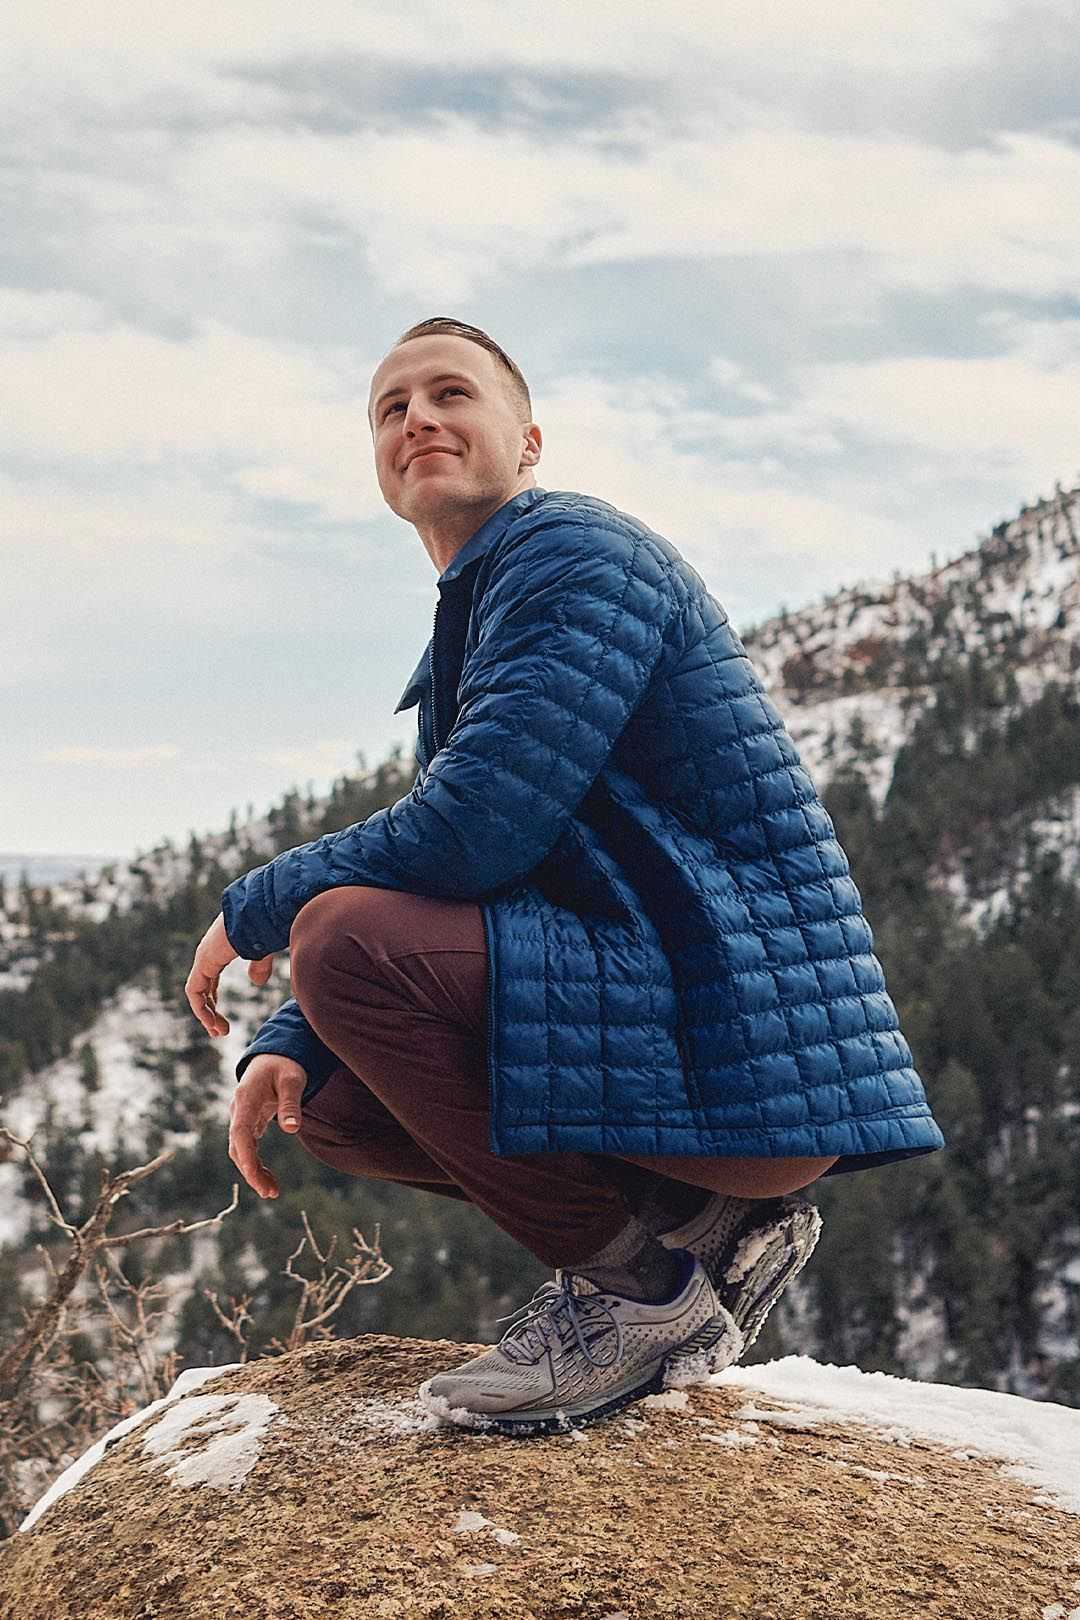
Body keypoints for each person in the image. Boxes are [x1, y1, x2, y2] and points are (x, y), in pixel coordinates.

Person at [185, 316, 945, 1436]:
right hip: (684, 1043)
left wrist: (256, 910)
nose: (419, 419)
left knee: (338, 932)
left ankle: (637, 1297)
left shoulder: (574, 553)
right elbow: (486, 884)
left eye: (452, 394)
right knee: (335, 1105)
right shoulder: (485, 614)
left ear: (528, 441)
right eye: (391, 408)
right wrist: (301, 1036)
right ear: (378, 459)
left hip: (737, 1042)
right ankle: (697, 1230)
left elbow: (473, 835)